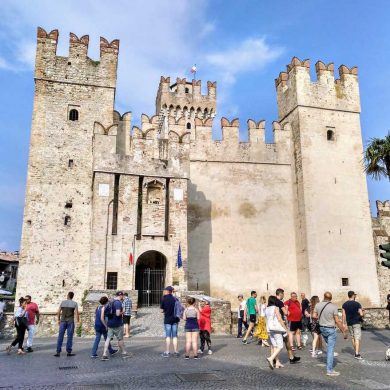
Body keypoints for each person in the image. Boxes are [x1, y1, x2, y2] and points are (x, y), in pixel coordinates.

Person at [313, 291, 347, 376]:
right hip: (330, 329)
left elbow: (314, 316)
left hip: (322, 328)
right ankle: (330, 370)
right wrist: (343, 331)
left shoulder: (318, 305)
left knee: (329, 347)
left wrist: (321, 319)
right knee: (330, 349)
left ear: (323, 297)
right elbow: (337, 321)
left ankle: (329, 365)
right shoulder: (334, 307)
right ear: (331, 298)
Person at [275, 288, 300, 364]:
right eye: (283, 294)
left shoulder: (273, 302)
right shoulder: (280, 302)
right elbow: (286, 313)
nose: (283, 295)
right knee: (285, 341)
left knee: (280, 342)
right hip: (281, 324)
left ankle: (291, 357)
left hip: (275, 324)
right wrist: (287, 311)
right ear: (280, 294)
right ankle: (274, 358)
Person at [101, 291, 127, 361]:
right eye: (123, 295)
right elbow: (118, 314)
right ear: (120, 296)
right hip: (117, 323)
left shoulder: (110, 301)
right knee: (120, 339)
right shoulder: (118, 303)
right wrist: (123, 312)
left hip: (110, 323)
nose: (123, 297)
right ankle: (124, 353)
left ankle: (104, 354)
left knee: (108, 339)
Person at [265, 295, 288, 369]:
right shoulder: (275, 308)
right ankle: (271, 358)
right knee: (280, 346)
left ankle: (277, 363)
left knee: (275, 346)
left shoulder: (267, 309)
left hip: (270, 329)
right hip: (276, 329)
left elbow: (267, 319)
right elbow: (279, 319)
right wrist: (285, 329)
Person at [54, 291, 80, 357]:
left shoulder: (63, 302)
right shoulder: (75, 303)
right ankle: (69, 352)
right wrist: (78, 321)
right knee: (70, 337)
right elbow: (77, 313)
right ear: (72, 296)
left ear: (68, 295)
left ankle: (58, 352)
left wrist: (58, 320)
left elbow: (58, 312)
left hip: (63, 321)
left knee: (60, 336)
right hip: (70, 321)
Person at [342, 291, 364, 360]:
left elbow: (343, 314)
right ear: (353, 296)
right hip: (356, 322)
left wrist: (343, 323)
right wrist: (362, 311)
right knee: (357, 337)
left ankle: (356, 352)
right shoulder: (357, 304)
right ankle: (357, 354)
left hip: (349, 323)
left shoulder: (344, 304)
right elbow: (361, 314)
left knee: (352, 337)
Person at [160, 286, 180, 357]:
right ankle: (176, 352)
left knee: (168, 336)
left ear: (167, 291)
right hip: (175, 319)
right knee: (175, 336)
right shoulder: (175, 299)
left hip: (167, 319)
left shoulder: (164, 298)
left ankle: (167, 352)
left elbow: (162, 310)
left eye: (165, 290)